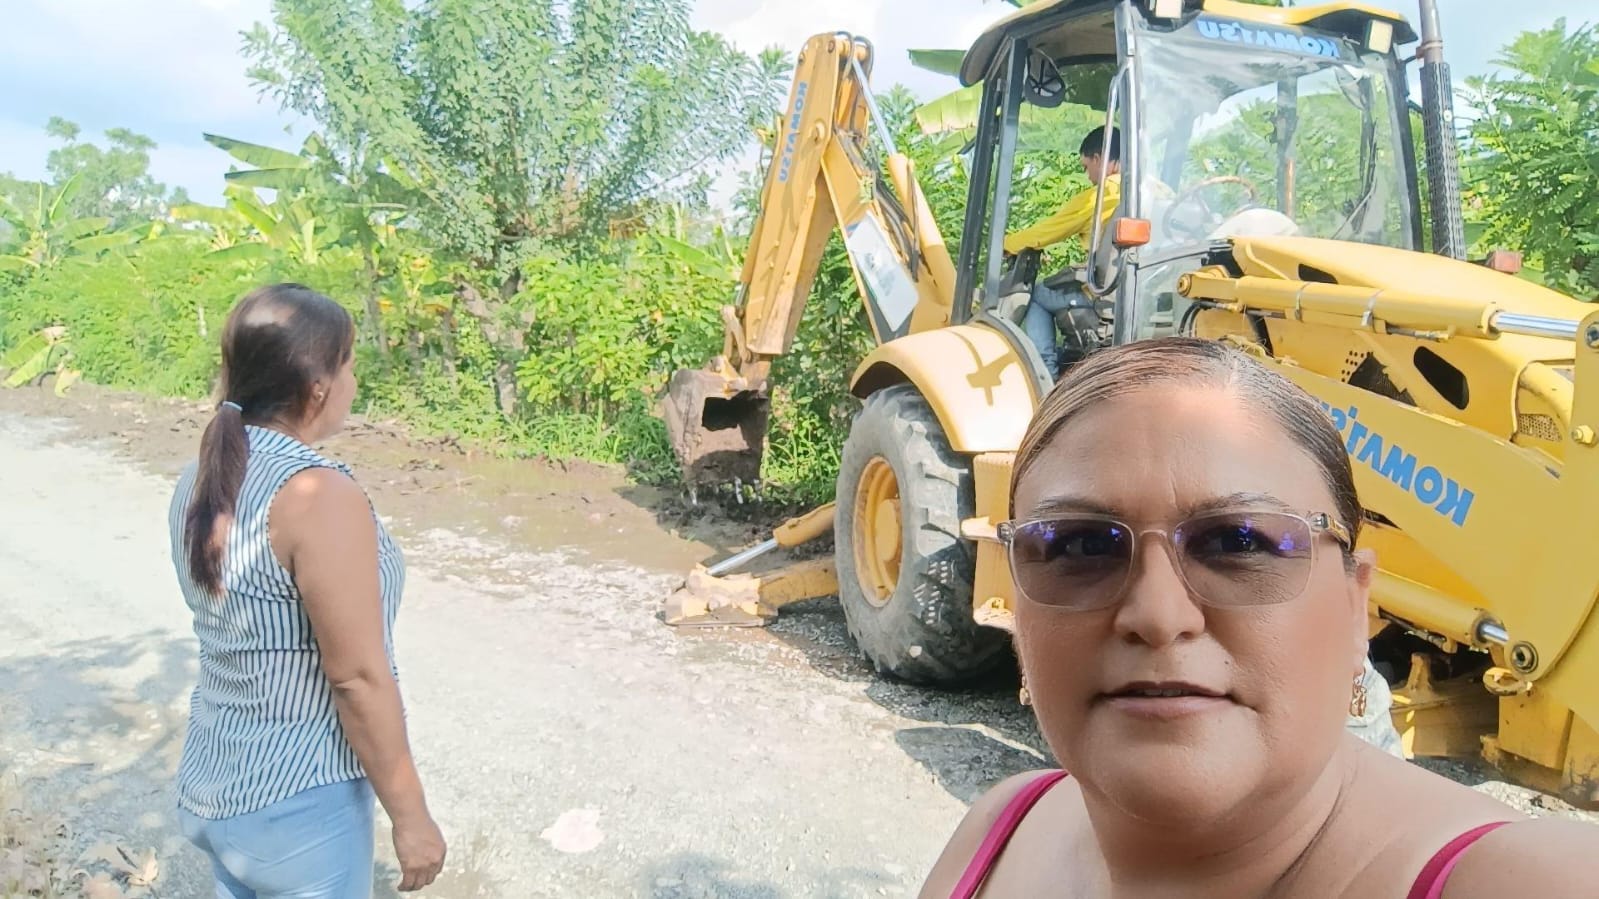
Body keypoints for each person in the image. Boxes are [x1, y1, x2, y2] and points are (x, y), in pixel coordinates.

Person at [918, 337, 1599, 898]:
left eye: (1238, 542)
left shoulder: (1527, 881)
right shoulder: (998, 831)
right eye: (1079, 546)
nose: (1157, 614)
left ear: (1354, 605)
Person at [169, 284, 446, 896]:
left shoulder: (204, 474)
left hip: (217, 778)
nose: (354, 381)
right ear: (319, 385)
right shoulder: (315, 494)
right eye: (349, 365)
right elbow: (357, 679)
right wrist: (411, 818)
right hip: (297, 803)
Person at [1002, 125, 1121, 376]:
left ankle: (1045, 374)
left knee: (1037, 294)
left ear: (1099, 158)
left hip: (1105, 298)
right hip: (1140, 300)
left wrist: (1006, 244)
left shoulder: (1101, 196)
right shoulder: (1155, 192)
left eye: (1086, 167)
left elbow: (1044, 233)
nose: (1088, 176)